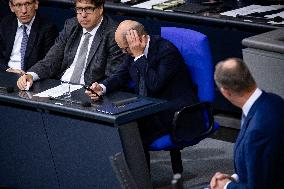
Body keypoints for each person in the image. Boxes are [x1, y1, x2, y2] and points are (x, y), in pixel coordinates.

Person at [86, 20, 199, 145]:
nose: (124, 53)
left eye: (125, 49)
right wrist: (102, 87)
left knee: (128, 133)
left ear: (140, 39)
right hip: (148, 107)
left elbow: (154, 84)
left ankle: (138, 164)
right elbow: (121, 75)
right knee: (112, 126)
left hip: (172, 111)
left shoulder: (167, 52)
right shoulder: (132, 50)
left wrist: (139, 56)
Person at [210, 58, 284, 189]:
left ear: (226, 92)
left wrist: (226, 186)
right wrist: (234, 178)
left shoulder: (257, 132)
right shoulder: (275, 100)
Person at [17, 0, 124, 90]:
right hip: (60, 86)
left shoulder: (113, 33)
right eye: (79, 9)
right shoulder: (71, 25)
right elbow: (51, 59)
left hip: (89, 91)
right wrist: (30, 75)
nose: (83, 15)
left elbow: (114, 75)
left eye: (88, 9)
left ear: (100, 9)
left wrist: (100, 88)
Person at [0, 0, 58, 74]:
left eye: (27, 4)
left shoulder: (48, 28)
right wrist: (7, 69)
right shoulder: (6, 23)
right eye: (18, 5)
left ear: (36, 4)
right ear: (11, 7)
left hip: (30, 77)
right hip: (6, 73)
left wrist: (29, 75)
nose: (24, 11)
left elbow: (49, 62)